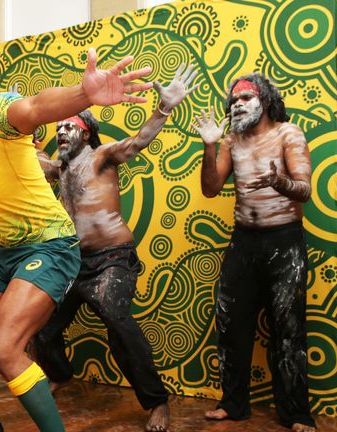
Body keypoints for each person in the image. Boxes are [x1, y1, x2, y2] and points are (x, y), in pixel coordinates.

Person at [0, 31, 152, 432]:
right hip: (2, 249)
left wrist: (84, 95)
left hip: (49, 244)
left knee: (3, 349)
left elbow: (34, 106)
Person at [30, 64, 199, 432]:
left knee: (115, 317)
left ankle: (156, 402)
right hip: (74, 261)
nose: (60, 131)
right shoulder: (58, 168)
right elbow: (30, 158)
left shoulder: (102, 157)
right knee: (40, 323)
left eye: (68, 125)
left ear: (86, 131)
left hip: (112, 259)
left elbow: (138, 141)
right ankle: (59, 374)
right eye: (58, 127)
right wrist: (19, 129)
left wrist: (164, 108)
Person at [193, 73, 316, 432]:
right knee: (231, 324)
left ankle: (295, 414)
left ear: (265, 99)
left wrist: (280, 183)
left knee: (288, 328)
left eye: (246, 97)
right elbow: (211, 188)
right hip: (243, 241)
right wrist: (210, 145)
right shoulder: (231, 141)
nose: (238, 104)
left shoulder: (287, 134)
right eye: (233, 101)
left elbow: (305, 190)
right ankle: (234, 405)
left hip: (284, 242)